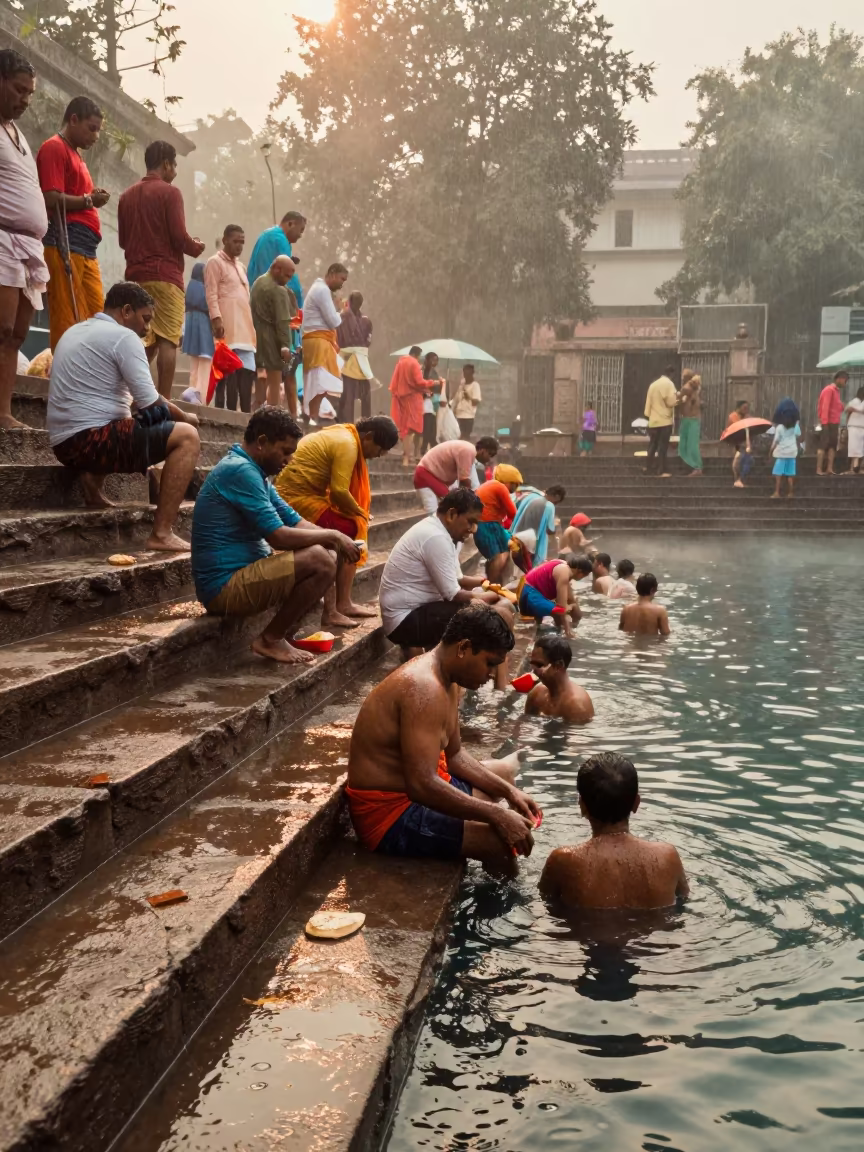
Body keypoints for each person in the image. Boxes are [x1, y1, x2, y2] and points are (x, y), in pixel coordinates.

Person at [346, 602, 541, 865]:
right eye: (489, 663)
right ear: (463, 648)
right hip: (391, 816)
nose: (492, 674)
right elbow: (422, 785)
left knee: (504, 777)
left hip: (422, 788)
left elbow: (456, 755)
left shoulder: (447, 679)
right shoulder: (425, 688)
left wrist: (509, 793)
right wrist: (497, 815)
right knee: (499, 842)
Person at [191, 406, 361, 665]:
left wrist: (336, 537)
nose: (289, 460)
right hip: (223, 587)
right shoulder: (240, 471)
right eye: (285, 451)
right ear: (262, 442)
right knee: (319, 560)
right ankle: (271, 639)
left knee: (324, 551)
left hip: (244, 575)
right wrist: (333, 538)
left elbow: (295, 521)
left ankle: (281, 635)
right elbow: (278, 537)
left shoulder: (255, 474)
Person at [46, 281, 200, 550]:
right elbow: (152, 405)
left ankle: (92, 487)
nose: (147, 328)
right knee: (187, 437)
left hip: (63, 444)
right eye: (145, 318)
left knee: (125, 414)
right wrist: (185, 419)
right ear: (127, 311)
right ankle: (162, 534)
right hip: (91, 442)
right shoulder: (124, 337)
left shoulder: (75, 330)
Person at [275, 415, 398, 627]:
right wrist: (361, 512)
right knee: (350, 527)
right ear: (368, 436)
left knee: (352, 523)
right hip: (295, 500)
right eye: (379, 450)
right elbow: (340, 492)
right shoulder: (348, 443)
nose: (377, 456)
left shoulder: (343, 435)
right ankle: (337, 607)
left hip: (303, 495)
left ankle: (342, 603)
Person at [539, 753, 689, 909]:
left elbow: (542, 908)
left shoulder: (563, 861)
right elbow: (684, 900)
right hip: (658, 933)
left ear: (582, 805)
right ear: (636, 803)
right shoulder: (668, 856)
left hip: (586, 932)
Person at [117, 140, 205, 398]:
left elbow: (123, 241)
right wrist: (195, 246)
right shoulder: (170, 192)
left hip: (134, 278)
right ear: (166, 163)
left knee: (141, 340)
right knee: (167, 340)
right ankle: (163, 401)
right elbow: (179, 237)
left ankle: (133, 398)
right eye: (174, 165)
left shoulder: (126, 196)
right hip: (166, 277)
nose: (175, 171)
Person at [379, 486, 511, 657]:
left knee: (484, 608)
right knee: (486, 616)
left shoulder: (441, 532)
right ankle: (461, 674)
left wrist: (483, 583)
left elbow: (458, 579)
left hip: (414, 613)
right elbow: (454, 594)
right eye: (470, 521)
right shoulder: (436, 537)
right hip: (403, 622)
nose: (473, 530)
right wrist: (488, 597)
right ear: (451, 515)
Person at [37, 96, 110, 350]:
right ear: (74, 120)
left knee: (96, 317)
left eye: (98, 130)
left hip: (87, 247)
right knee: (69, 320)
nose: (96, 136)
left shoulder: (77, 156)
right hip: (65, 241)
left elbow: (76, 194)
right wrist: (90, 200)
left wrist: (90, 197)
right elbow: (51, 197)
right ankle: (65, 383)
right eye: (92, 128)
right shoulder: (54, 147)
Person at [0, 49, 48, 431]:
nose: (25, 100)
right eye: (19, 90)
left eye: (30, 93)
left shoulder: (18, 134)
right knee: (1, 331)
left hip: (28, 248)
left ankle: (3, 412)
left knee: (16, 336)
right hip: (2, 241)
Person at [203, 224, 256, 412]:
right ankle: (231, 415)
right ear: (225, 240)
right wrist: (216, 319)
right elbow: (211, 294)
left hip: (246, 330)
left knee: (247, 373)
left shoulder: (241, 266)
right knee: (230, 375)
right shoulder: (214, 262)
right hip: (228, 327)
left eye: (242, 242)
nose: (239, 246)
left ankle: (245, 418)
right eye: (235, 241)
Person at [302, 262, 348, 423]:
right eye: (342, 279)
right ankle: (311, 416)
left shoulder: (320, 289)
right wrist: (340, 310)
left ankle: (311, 416)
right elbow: (334, 321)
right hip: (318, 341)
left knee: (319, 383)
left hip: (318, 340)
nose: (342, 284)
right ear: (333, 273)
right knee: (320, 383)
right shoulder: (322, 290)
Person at [250, 255, 297, 409]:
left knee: (260, 376)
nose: (288, 280)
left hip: (255, 336)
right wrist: (285, 345)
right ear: (277, 269)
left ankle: (258, 406)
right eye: (286, 275)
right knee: (275, 376)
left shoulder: (257, 283)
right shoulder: (279, 290)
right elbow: (283, 321)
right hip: (271, 338)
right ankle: (273, 410)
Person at [413, 436, 499, 514]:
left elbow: (473, 485)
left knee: (447, 508)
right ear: (483, 450)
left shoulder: (470, 452)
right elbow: (464, 482)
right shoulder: (468, 451)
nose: (489, 459)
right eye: (490, 455)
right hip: (425, 474)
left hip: (433, 476)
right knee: (441, 510)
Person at [525, 634, 594, 724]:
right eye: (532, 663)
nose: (533, 670)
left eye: (539, 665)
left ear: (558, 665)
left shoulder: (576, 705)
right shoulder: (536, 694)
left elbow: (579, 736)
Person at [518, 554, 592, 637]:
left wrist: (575, 612)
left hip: (528, 592)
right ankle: (559, 634)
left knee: (564, 610)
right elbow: (561, 607)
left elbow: (570, 598)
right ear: (579, 571)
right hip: (529, 596)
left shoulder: (564, 565)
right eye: (585, 575)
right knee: (558, 612)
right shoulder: (564, 573)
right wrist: (568, 631)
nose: (583, 578)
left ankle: (542, 628)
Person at [246, 211, 306, 309]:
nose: (300, 235)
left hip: (254, 295)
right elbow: (290, 279)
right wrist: (298, 300)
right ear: (290, 224)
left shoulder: (267, 234)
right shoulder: (280, 239)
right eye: (300, 230)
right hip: (268, 300)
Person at [475, 463, 522, 583]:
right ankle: (493, 587)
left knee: (508, 548)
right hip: (488, 525)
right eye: (515, 484)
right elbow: (513, 513)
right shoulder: (500, 487)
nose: (516, 488)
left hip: (489, 525)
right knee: (496, 557)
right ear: (508, 481)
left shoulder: (491, 485)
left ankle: (500, 584)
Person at [336, 291, 373, 422]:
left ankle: (365, 423)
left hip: (359, 358)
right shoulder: (341, 318)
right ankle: (347, 423)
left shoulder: (365, 320)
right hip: (348, 359)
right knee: (348, 393)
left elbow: (368, 340)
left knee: (364, 393)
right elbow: (338, 339)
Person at [510, 484, 566, 568]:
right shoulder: (549, 505)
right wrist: (556, 545)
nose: (555, 504)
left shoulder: (532, 498)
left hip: (515, 536)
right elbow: (550, 530)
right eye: (557, 502)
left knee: (517, 568)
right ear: (557, 496)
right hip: (529, 540)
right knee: (527, 568)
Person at [389, 345, 428, 467]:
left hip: (402, 399)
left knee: (407, 429)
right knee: (411, 430)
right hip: (413, 400)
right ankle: (408, 457)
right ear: (417, 354)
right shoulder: (414, 363)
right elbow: (419, 382)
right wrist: (433, 383)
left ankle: (408, 457)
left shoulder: (400, 362)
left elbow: (396, 382)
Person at [182, 262, 214, 401]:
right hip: (203, 327)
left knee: (194, 365)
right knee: (205, 363)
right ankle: (201, 395)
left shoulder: (190, 287)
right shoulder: (202, 288)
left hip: (191, 328)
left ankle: (192, 392)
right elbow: (209, 305)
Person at [644, 365, 678, 477]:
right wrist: (679, 399)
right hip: (665, 421)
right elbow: (671, 402)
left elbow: (648, 406)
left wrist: (649, 417)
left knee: (652, 445)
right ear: (671, 374)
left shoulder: (653, 385)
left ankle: (648, 466)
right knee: (662, 446)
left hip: (653, 421)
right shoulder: (669, 384)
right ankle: (661, 469)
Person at [817, 371, 848, 477]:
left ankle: (829, 468)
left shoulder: (836, 392)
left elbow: (836, 407)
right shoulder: (829, 390)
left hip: (835, 422)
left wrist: (842, 406)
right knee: (823, 445)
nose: (845, 383)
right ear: (839, 378)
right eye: (845, 380)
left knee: (832, 446)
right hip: (828, 422)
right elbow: (825, 407)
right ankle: (819, 468)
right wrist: (824, 423)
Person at [771, 411, 801, 499]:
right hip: (791, 453)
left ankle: (777, 492)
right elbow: (799, 435)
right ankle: (790, 493)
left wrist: (771, 450)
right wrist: (797, 423)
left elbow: (776, 440)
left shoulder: (780, 427)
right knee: (790, 475)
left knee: (778, 474)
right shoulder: (794, 427)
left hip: (781, 453)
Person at [677, 372, 703, 476]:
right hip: (688, 419)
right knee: (685, 445)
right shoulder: (693, 391)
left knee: (691, 445)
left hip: (692, 420)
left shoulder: (688, 389)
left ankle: (697, 467)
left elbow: (679, 398)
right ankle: (692, 466)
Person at [420, 350, 442, 454]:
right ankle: (422, 449)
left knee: (430, 428)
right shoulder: (421, 370)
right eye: (433, 360)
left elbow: (436, 387)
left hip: (431, 403)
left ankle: (426, 449)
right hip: (422, 403)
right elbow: (419, 384)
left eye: (436, 360)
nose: (435, 362)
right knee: (425, 428)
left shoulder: (434, 372)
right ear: (427, 360)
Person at [726, 400, 752, 489]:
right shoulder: (732, 416)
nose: (746, 410)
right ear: (738, 408)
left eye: (747, 408)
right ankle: (736, 480)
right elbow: (734, 428)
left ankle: (741, 480)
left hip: (745, 443)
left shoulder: (747, 416)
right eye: (744, 408)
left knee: (748, 461)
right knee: (736, 463)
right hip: (736, 443)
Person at [452, 363, 481, 439]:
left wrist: (469, 397)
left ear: (472, 373)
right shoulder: (462, 385)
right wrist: (451, 409)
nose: (465, 375)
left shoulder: (475, 385)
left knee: (465, 436)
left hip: (468, 416)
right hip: (459, 414)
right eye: (464, 373)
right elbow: (456, 399)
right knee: (458, 436)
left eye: (467, 373)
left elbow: (476, 402)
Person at [844, 384, 864, 475]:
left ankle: (857, 468)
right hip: (855, 426)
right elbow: (847, 411)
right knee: (855, 448)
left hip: (858, 427)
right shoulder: (855, 401)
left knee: (858, 449)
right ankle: (854, 468)